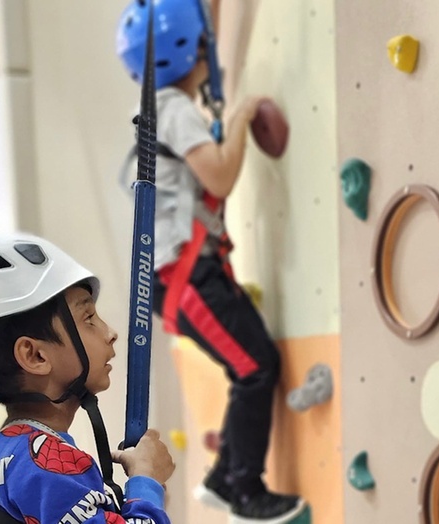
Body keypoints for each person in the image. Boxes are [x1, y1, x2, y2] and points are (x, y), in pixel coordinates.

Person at [116, 1, 306, 523]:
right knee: (255, 366)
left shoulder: (166, 107)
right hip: (187, 278)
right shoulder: (173, 109)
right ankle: (242, 488)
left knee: (252, 363)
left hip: (191, 274)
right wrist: (241, 116)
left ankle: (225, 477)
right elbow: (219, 176)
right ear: (194, 49)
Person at [0, 233, 174, 523]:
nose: (110, 333)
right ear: (35, 356)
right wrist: (146, 482)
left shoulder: (4, 456)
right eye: (88, 318)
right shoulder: (47, 467)